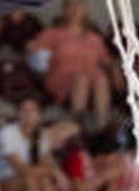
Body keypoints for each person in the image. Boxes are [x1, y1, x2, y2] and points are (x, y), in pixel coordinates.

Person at [27, 0, 114, 128]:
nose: (75, 10)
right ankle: (77, 124)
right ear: (64, 10)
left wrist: (116, 67)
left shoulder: (94, 38)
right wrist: (31, 49)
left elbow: (106, 60)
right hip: (62, 78)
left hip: (92, 78)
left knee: (101, 79)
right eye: (71, 6)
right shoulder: (53, 33)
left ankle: (103, 126)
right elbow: (35, 53)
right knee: (82, 79)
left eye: (78, 6)